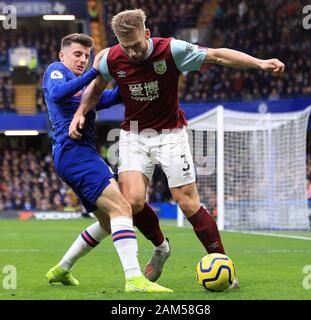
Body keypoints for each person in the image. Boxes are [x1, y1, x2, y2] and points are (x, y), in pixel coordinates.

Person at [69, 9, 285, 286]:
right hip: (134, 135)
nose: (132, 53)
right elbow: (96, 88)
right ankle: (161, 247)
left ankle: (223, 264)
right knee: (131, 202)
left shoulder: (172, 49)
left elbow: (217, 55)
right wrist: (80, 113)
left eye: (136, 45)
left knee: (187, 202)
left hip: (171, 134)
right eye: (126, 47)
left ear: (146, 33)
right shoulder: (110, 57)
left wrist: (260, 63)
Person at [43, 33, 172, 293]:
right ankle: (135, 279)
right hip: (74, 153)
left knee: (107, 222)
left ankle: (62, 269)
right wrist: (93, 72)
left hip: (77, 155)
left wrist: (137, 76)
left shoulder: (84, 90)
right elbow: (57, 95)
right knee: (123, 208)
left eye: (86, 55)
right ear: (62, 56)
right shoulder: (56, 71)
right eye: (77, 54)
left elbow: (111, 97)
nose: (82, 59)